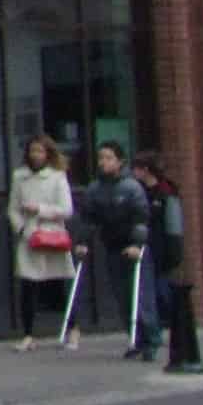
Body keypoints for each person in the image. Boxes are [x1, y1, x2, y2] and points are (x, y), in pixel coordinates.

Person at [77, 141, 149, 348]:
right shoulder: (95, 189)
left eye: (108, 158)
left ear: (120, 162)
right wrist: (82, 241)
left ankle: (149, 339)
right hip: (112, 245)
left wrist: (137, 243)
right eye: (101, 158)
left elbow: (141, 217)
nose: (103, 162)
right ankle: (134, 338)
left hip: (133, 245)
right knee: (121, 295)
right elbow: (88, 219)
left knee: (140, 294)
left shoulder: (131, 187)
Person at [10, 134, 78, 349]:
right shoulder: (19, 177)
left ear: (48, 154)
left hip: (52, 235)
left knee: (59, 285)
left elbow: (66, 209)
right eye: (32, 151)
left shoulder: (57, 177)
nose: (36, 155)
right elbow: (12, 208)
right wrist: (21, 229)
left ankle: (73, 329)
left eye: (40, 151)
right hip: (30, 237)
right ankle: (28, 335)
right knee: (28, 286)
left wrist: (39, 209)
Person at [131, 151, 186, 363]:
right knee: (149, 294)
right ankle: (151, 336)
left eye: (137, 168)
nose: (133, 172)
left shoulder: (165, 192)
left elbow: (173, 224)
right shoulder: (139, 192)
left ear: (146, 170)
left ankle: (176, 327)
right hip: (146, 248)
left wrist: (174, 251)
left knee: (163, 293)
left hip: (162, 248)